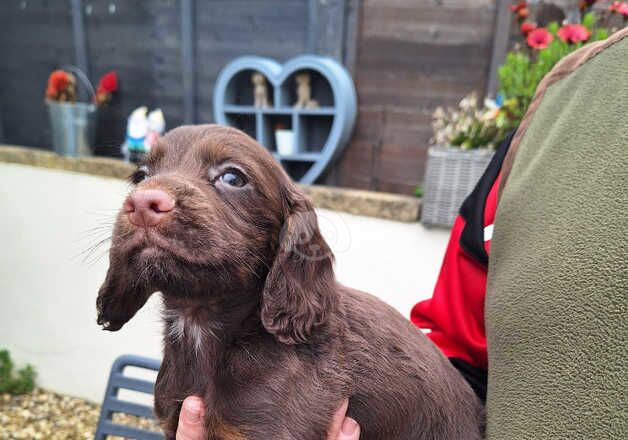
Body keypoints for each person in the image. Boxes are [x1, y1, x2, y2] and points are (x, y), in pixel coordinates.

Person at [176, 27, 627, 439]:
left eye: (232, 179)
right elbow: (456, 350)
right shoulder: (559, 108)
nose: (150, 198)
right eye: (141, 177)